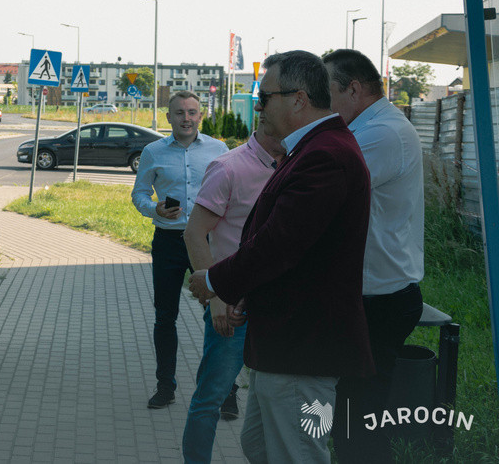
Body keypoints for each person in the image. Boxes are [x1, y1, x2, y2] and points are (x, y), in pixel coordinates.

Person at [188, 50, 374, 463]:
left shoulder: (325, 155)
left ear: (298, 98)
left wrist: (217, 281)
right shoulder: (313, 147)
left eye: (264, 98)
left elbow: (280, 244)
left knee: (296, 454)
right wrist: (244, 291)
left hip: (302, 348)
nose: (258, 107)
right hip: (285, 346)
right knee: (259, 446)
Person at [323, 49, 424, 463]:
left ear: (354, 88)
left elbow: (323, 188)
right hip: (372, 292)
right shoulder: (371, 128)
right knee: (355, 409)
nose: (320, 101)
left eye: (325, 91)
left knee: (361, 416)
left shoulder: (381, 134)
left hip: (379, 298)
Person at [181, 123, 285, 464]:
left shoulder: (297, 165)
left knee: (274, 398)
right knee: (212, 396)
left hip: (279, 306)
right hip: (232, 307)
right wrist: (216, 299)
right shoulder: (229, 167)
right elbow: (195, 233)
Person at [132, 90, 228, 409]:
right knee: (165, 316)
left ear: (200, 116)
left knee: (218, 312)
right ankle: (165, 386)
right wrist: (154, 210)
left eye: (192, 112)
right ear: (169, 116)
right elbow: (140, 194)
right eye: (179, 113)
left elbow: (232, 192)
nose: (186, 118)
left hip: (206, 242)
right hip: (169, 243)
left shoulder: (219, 150)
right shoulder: (153, 151)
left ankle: (226, 392)